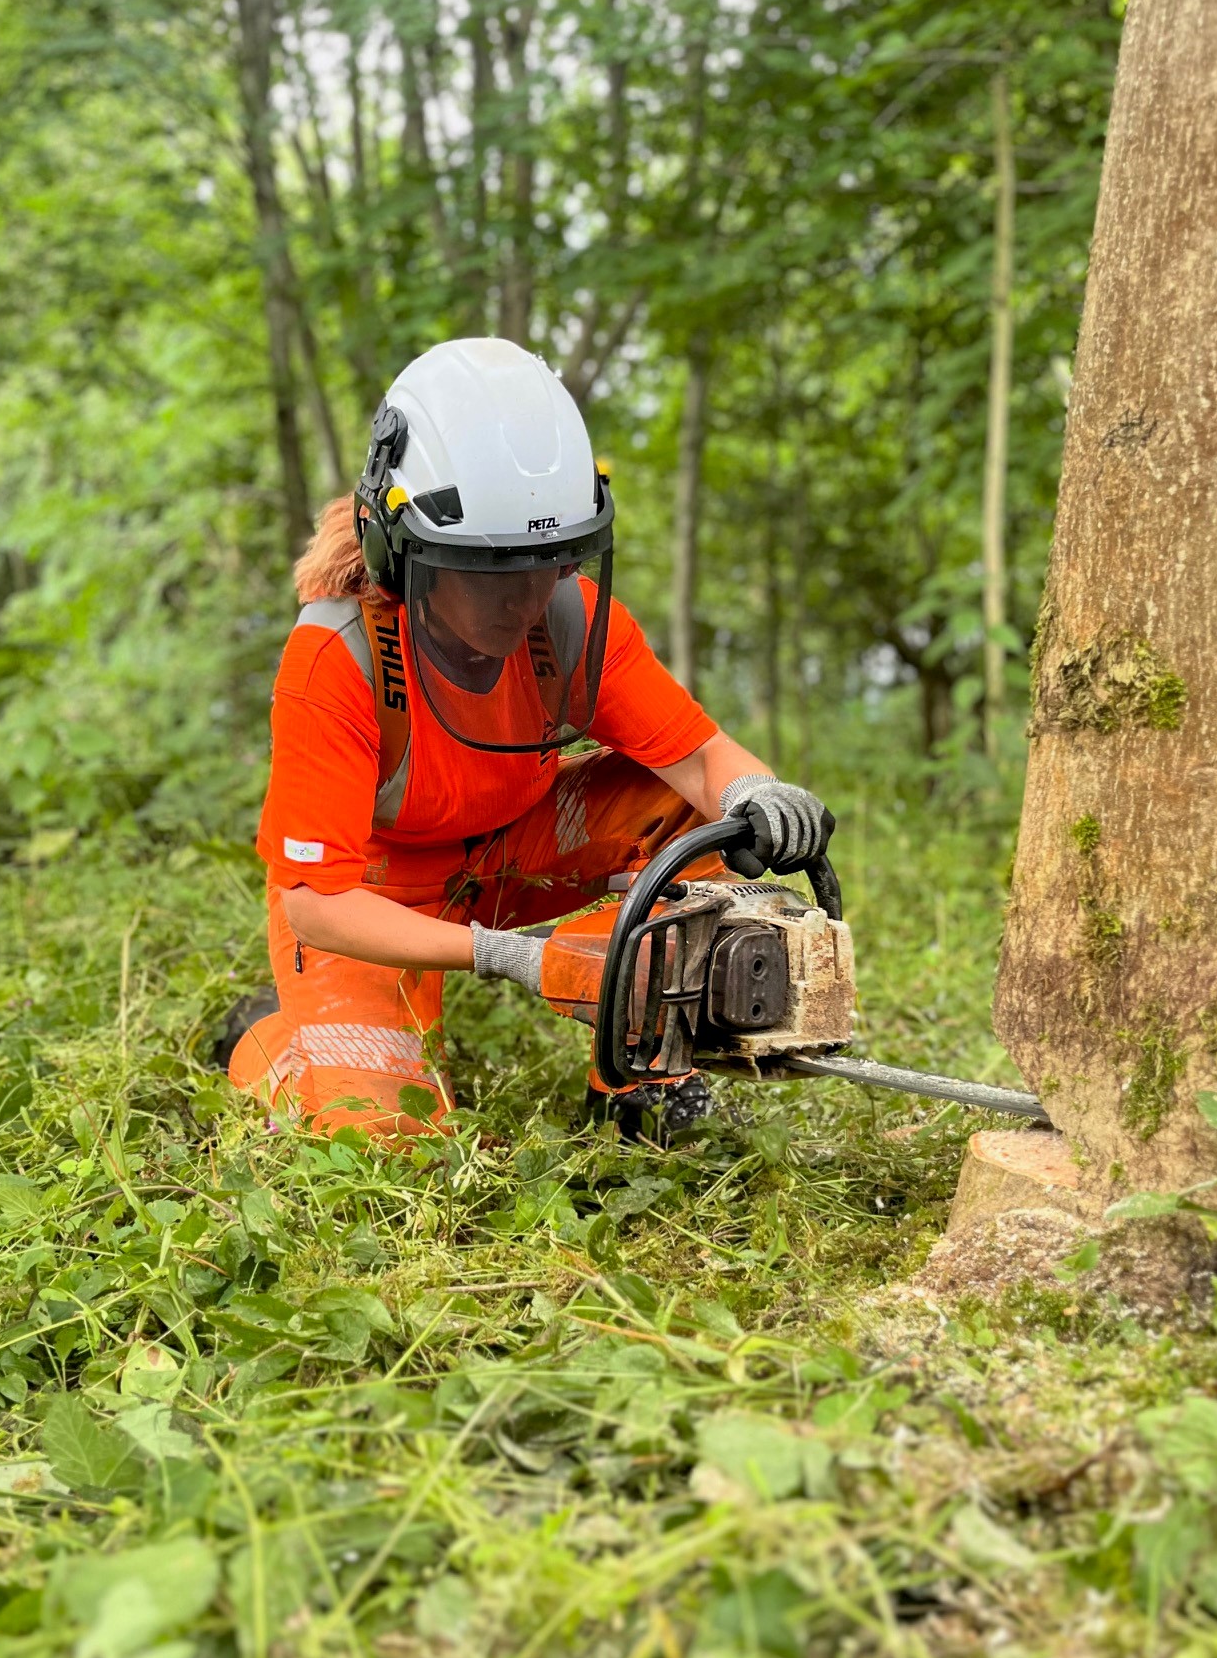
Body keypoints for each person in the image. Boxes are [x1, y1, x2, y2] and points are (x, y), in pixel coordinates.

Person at [225, 336, 834, 1141]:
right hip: (371, 895)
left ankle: (643, 1074)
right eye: (490, 573)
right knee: (383, 1143)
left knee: (696, 813)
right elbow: (316, 904)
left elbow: (696, 758)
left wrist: (756, 791)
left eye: (545, 567)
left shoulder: (574, 620)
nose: (523, 602)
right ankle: (265, 1041)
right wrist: (508, 955)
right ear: (402, 552)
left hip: (517, 851)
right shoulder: (336, 661)